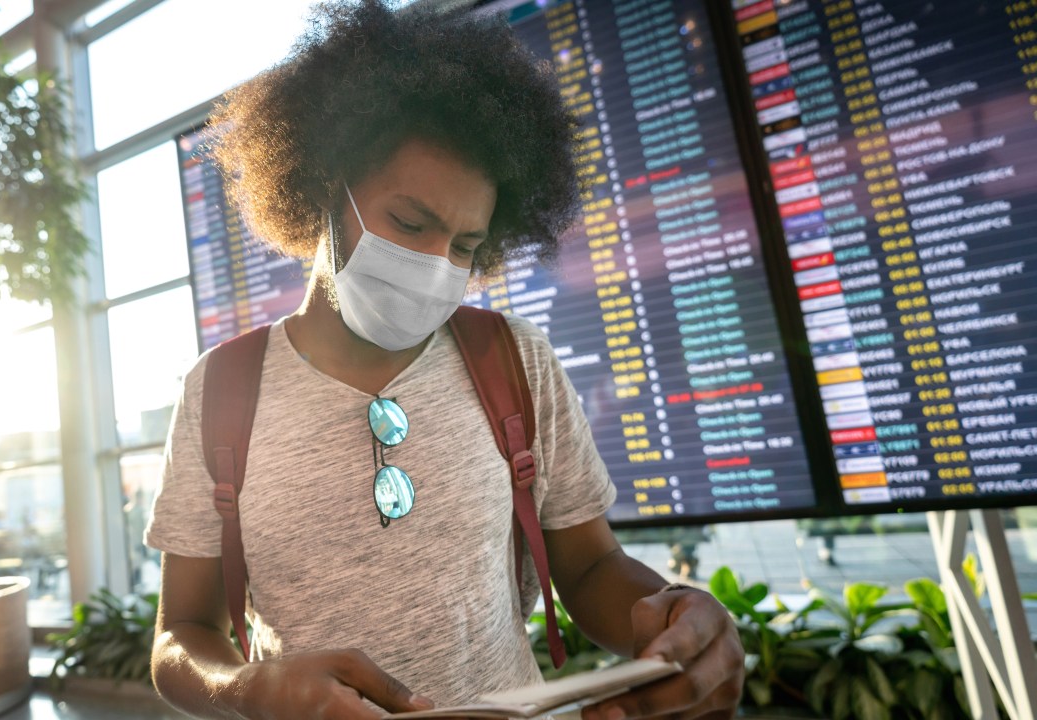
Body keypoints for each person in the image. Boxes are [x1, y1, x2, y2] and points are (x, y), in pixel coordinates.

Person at [145, 2, 744, 719]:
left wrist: (673, 621)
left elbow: (587, 568)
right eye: (409, 223)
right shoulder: (221, 391)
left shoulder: (515, 361)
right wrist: (243, 687)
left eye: (465, 246)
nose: (436, 264)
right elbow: (182, 632)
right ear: (323, 186)